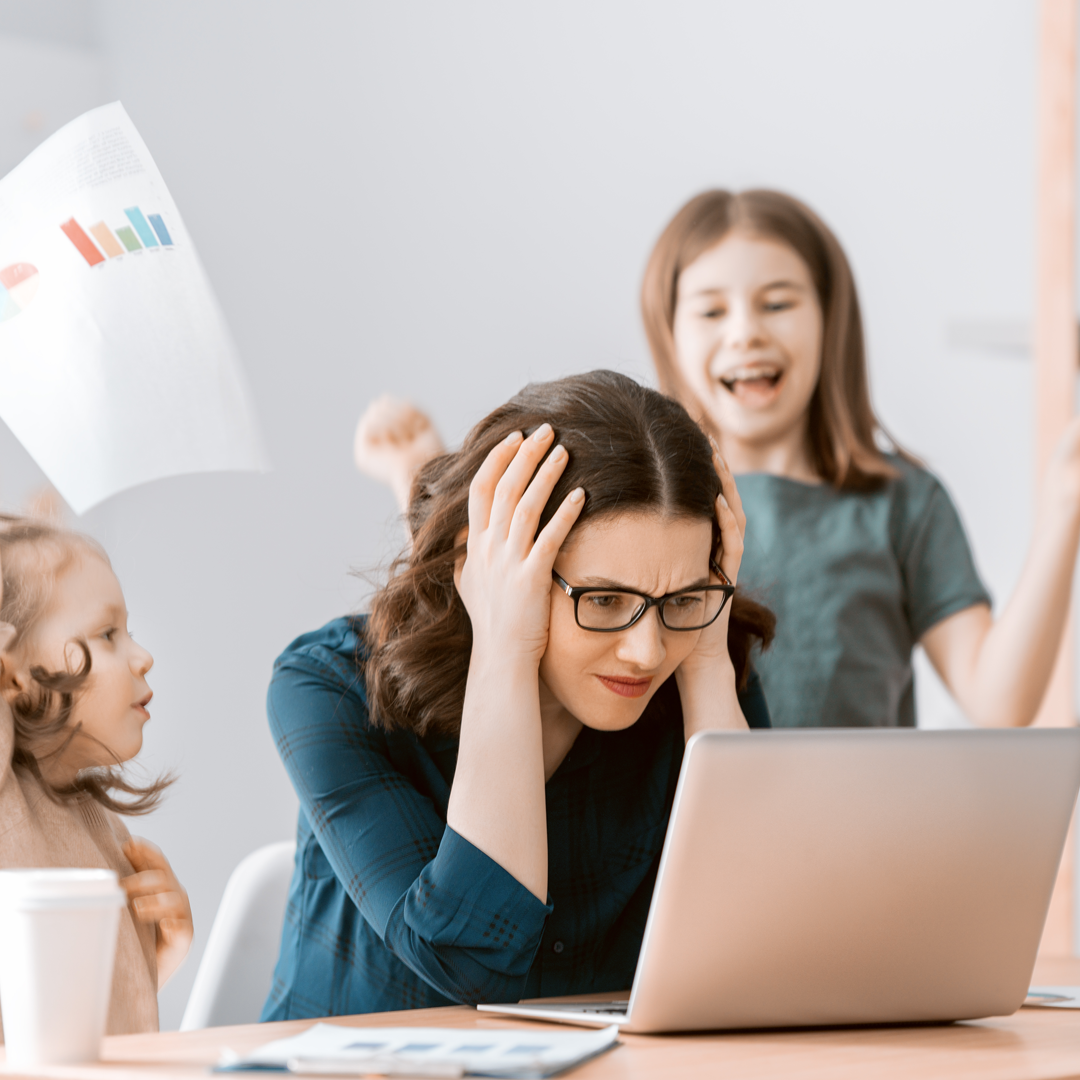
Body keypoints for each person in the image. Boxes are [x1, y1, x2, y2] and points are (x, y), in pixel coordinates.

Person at [355, 189, 1080, 730]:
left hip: (856, 853)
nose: (745, 333)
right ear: (668, 334)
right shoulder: (647, 507)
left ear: (831, 321)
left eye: (777, 303)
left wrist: (1061, 514)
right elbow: (503, 610)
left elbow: (1001, 701)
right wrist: (422, 485)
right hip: (666, 847)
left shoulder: (902, 503)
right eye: (711, 310)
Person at [264, 371, 774, 1019]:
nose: (646, 651)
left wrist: (704, 659)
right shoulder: (327, 686)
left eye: (681, 598)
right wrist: (504, 643)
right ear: (484, 560)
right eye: (605, 600)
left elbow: (754, 950)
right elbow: (469, 959)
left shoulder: (702, 667)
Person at [0, 518, 193, 1037]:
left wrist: (162, 952)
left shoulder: (100, 824)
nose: (143, 656)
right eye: (107, 634)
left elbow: (94, 1032)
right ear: (9, 672)